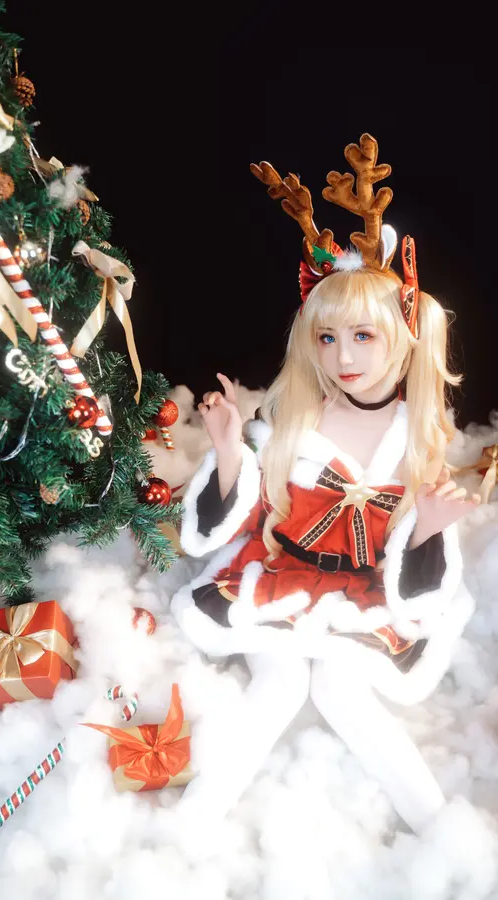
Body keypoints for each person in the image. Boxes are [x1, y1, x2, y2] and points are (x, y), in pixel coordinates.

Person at [171, 134, 480, 834]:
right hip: (281, 574)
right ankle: (189, 826)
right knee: (280, 683)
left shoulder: (416, 435)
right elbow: (237, 517)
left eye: (363, 337)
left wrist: (428, 532)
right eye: (327, 338)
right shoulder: (294, 418)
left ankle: (444, 833)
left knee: (343, 688)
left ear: (402, 337)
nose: (343, 357)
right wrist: (228, 451)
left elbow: (419, 570)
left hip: (370, 589)